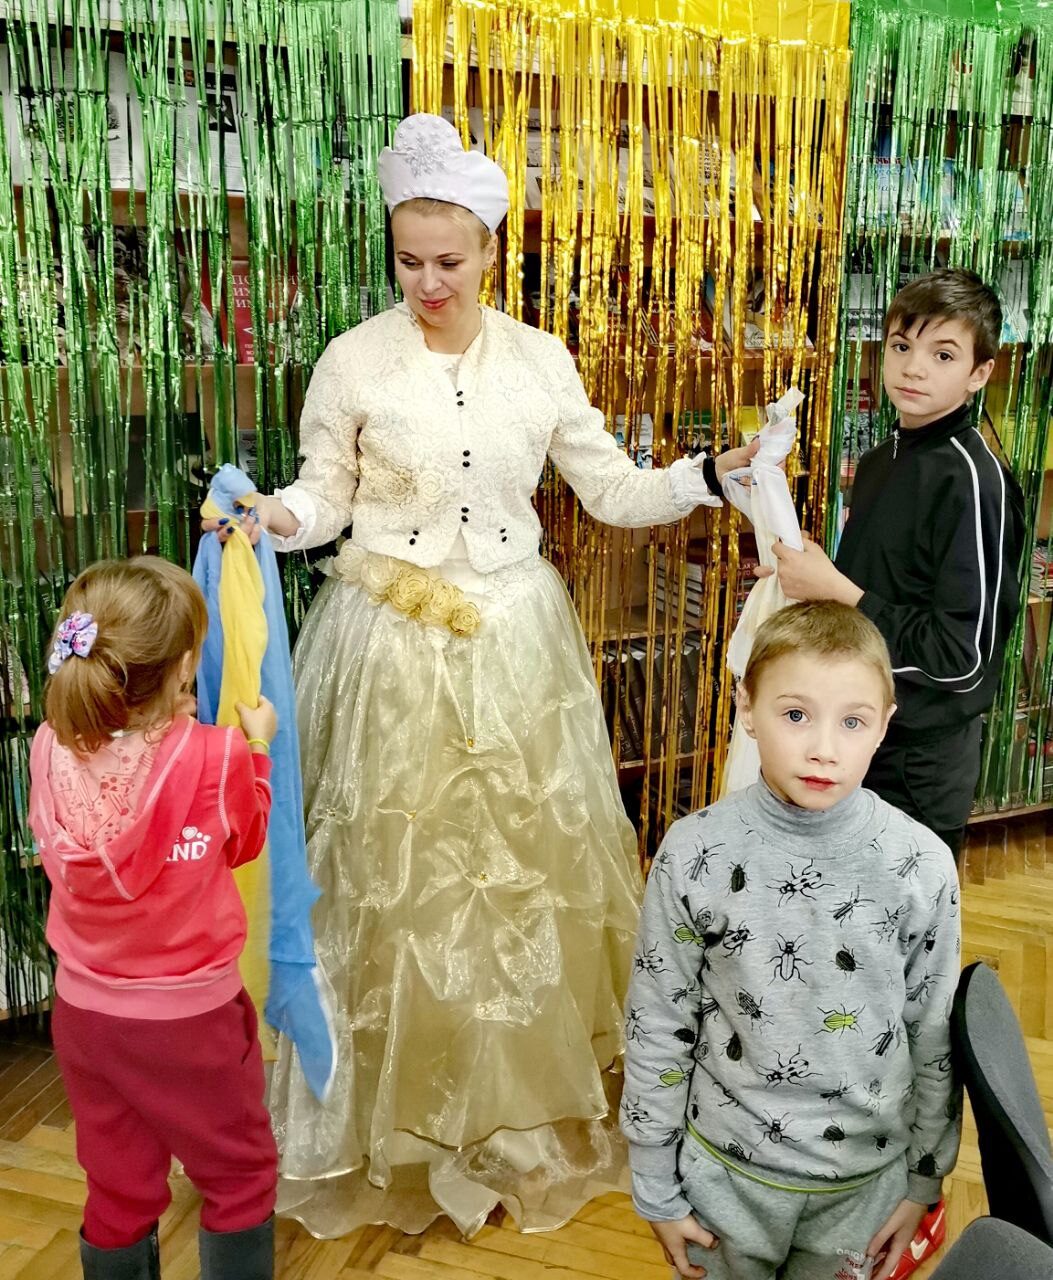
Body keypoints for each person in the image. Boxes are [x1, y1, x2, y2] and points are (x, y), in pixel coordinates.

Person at [207, 112, 758, 1238]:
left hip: (514, 642)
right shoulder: (353, 360)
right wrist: (276, 515)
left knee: (518, 885)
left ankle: (511, 1109)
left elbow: (611, 490)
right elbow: (325, 496)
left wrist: (709, 473)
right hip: (387, 646)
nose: (428, 282)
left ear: (491, 250)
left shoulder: (539, 360)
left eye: (449, 261)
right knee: (392, 882)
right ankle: (396, 1115)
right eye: (409, 260)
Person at [621, 600, 961, 1280]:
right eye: (796, 714)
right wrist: (653, 1178)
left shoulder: (919, 864)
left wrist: (925, 1179)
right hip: (722, 1178)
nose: (823, 749)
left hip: (865, 1187)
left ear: (883, 726)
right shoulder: (692, 854)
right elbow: (658, 1020)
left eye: (852, 721)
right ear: (746, 708)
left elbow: (933, 1030)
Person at [28, 557, 279, 1280]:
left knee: (118, 1184)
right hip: (191, 1021)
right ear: (184, 668)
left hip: (86, 1016)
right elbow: (245, 839)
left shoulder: (46, 744)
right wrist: (258, 746)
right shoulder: (217, 755)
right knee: (238, 1177)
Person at [770, 269, 1025, 858]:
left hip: (918, 761)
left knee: (901, 911)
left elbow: (963, 659)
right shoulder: (883, 455)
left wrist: (838, 592)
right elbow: (876, 584)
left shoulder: (972, 480)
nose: (914, 368)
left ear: (980, 373)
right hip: (854, 733)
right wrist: (806, 580)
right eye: (901, 346)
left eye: (943, 354)